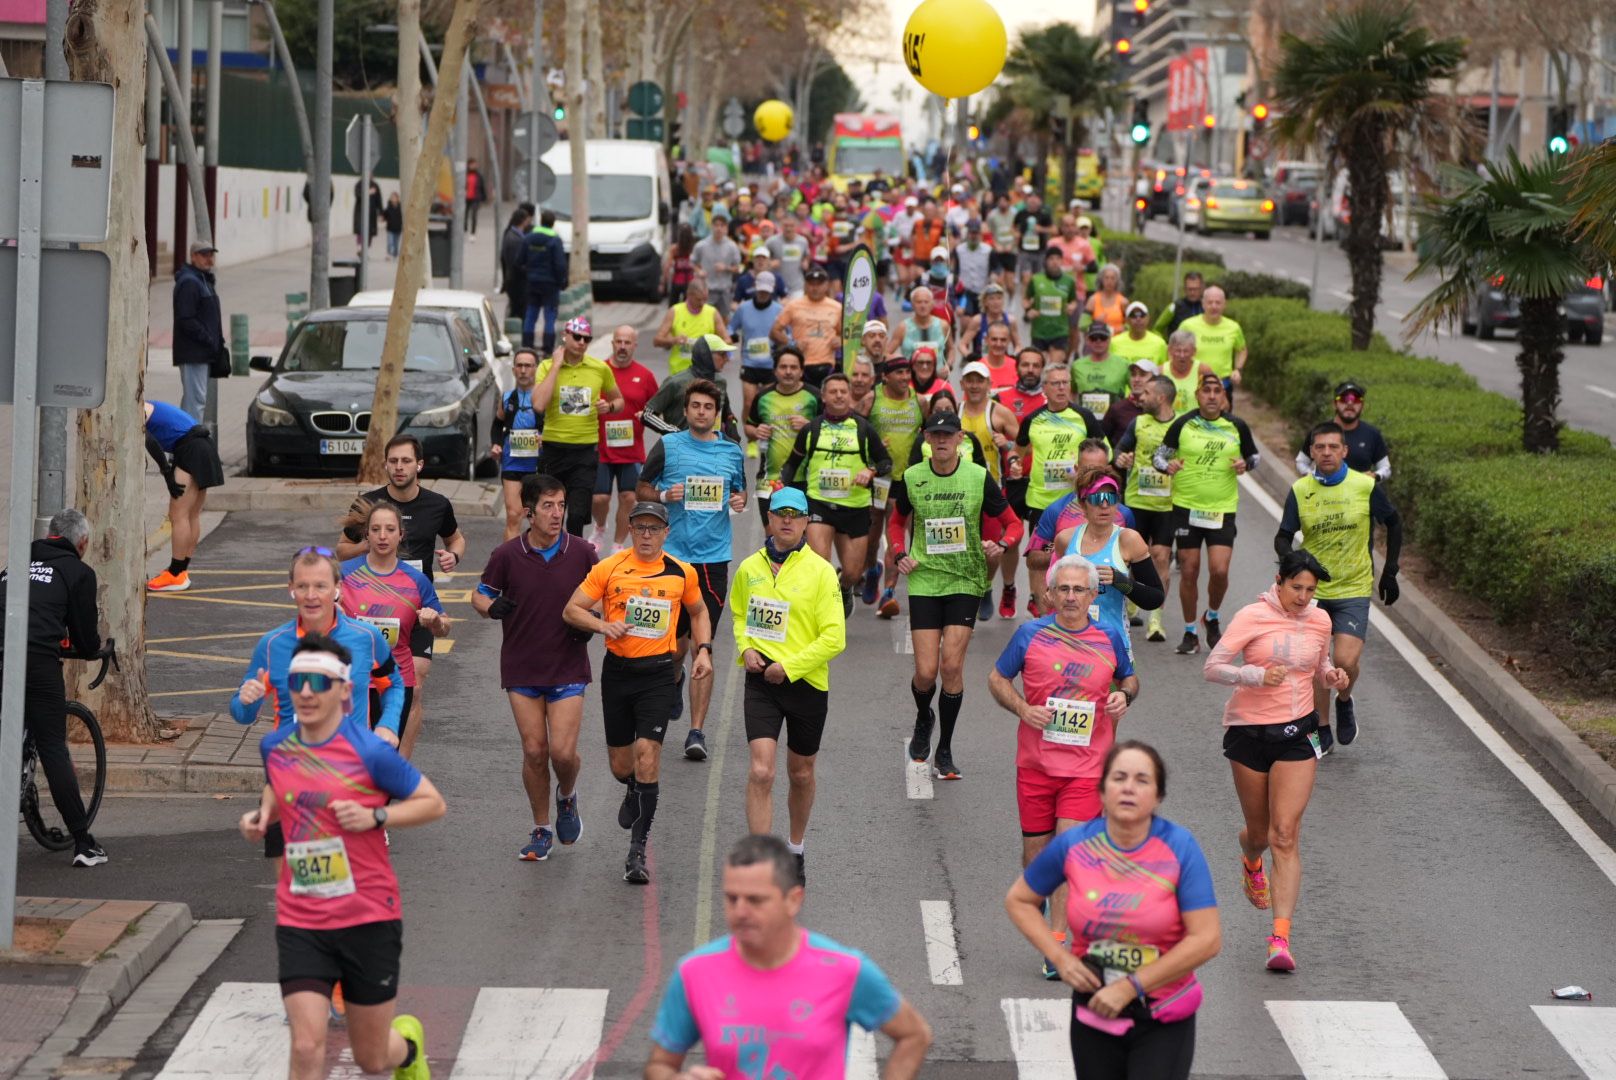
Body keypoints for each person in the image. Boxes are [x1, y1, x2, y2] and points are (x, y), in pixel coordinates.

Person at [240, 633, 445, 1080]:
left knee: (371, 1057)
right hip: (303, 917)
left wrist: (377, 815)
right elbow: (280, 793)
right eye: (298, 682)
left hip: (367, 916)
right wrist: (260, 816)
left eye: (319, 681)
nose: (308, 692)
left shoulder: (370, 752)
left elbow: (433, 803)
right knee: (307, 1042)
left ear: (345, 690)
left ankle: (407, 1048)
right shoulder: (275, 747)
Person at [1005, 741, 1220, 1078]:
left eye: (1142, 780)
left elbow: (1206, 939)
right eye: (1119, 778)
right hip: (1095, 1012)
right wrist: (1059, 957)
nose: (1129, 788)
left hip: (1163, 1014)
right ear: (1102, 791)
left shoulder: (1179, 848)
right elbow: (1019, 899)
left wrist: (1130, 986)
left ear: (1158, 796)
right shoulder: (1075, 845)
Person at [646, 834, 932, 1080]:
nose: (741, 912)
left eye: (756, 900)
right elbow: (659, 1065)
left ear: (793, 900)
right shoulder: (695, 972)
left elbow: (914, 1035)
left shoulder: (844, 970)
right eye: (732, 898)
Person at [989, 555, 1139, 977]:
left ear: (1094, 595)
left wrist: (1123, 697)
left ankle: (1057, 942)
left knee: (1066, 852)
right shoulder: (1029, 635)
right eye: (1064, 589)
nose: (1072, 597)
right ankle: (1040, 900)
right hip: (1035, 765)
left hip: (1087, 767)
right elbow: (997, 679)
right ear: (1050, 594)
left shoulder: (1109, 636)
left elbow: (1130, 679)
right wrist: (1023, 709)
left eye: (1080, 590)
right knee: (1037, 859)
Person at [1204, 549, 1350, 973]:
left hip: (1297, 733)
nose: (1303, 597)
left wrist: (1331, 677)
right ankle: (1250, 859)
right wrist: (1251, 675)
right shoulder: (1252, 616)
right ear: (1279, 581)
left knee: (1285, 833)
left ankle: (1280, 938)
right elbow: (1213, 667)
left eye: (1310, 590)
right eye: (1296, 588)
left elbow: (1318, 666)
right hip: (1249, 731)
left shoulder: (1321, 621)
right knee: (1260, 833)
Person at [563, 502, 712, 885]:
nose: (646, 535)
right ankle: (632, 789)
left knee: (648, 757)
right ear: (630, 529)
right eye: (640, 527)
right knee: (622, 766)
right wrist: (603, 625)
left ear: (666, 532)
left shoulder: (682, 572)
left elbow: (697, 611)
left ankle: (637, 850)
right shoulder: (609, 568)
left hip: (659, 675)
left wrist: (704, 650)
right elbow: (572, 610)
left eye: (654, 528)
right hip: (618, 674)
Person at [891, 412, 1023, 780]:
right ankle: (923, 717)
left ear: (961, 438)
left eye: (948, 434)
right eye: (935, 435)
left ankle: (945, 748)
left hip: (966, 580)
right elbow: (895, 521)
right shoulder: (914, 477)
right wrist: (900, 552)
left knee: (951, 668)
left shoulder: (978, 478)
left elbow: (1014, 524)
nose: (942, 440)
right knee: (924, 672)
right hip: (925, 581)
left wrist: (1001, 544)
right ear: (927, 439)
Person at [474, 473, 596, 861]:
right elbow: (480, 595)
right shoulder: (507, 555)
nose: (557, 513)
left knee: (562, 753)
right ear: (529, 512)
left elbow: (603, 595)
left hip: (567, 664)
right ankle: (542, 828)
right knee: (534, 751)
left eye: (561, 505)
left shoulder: (581, 552)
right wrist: (492, 607)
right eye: (547, 506)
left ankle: (567, 794)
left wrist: (594, 618)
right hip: (522, 666)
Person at [730, 492, 847, 882]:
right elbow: (739, 613)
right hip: (761, 682)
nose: (787, 521)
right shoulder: (749, 568)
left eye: (796, 516)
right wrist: (746, 648)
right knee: (761, 771)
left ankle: (795, 847)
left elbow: (835, 638)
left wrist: (790, 667)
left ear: (805, 523)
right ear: (769, 518)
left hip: (806, 684)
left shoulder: (821, 571)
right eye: (780, 514)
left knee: (800, 773)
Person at [333, 435, 468, 755]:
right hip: (371, 605)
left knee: (415, 686)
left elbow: (457, 539)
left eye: (406, 461)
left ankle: (400, 762)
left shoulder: (437, 505)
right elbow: (341, 551)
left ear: (419, 465)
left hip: (415, 606)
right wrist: (374, 542)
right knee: (370, 685)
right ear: (385, 465)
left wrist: (454, 557)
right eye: (393, 461)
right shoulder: (368, 505)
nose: (399, 467)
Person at [637, 379, 747, 762]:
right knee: (672, 649)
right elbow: (642, 489)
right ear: (685, 411)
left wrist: (739, 500)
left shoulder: (732, 452)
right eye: (695, 406)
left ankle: (697, 731)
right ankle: (675, 678)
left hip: (712, 561)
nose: (701, 412)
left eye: (707, 407)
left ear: (716, 413)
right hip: (671, 559)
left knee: (703, 647)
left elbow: (740, 495)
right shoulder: (668, 446)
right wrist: (665, 496)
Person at [1276, 422, 1402, 750]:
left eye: (1334, 447)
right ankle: (1321, 725)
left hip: (1354, 587)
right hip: (1313, 592)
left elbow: (1394, 522)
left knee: (1344, 661)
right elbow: (1283, 536)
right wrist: (1294, 567)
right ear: (1312, 452)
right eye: (1320, 447)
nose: (1327, 453)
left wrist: (1390, 571)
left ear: (1345, 450)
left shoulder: (1364, 486)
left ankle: (1344, 699)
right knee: (1319, 664)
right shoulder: (1301, 490)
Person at [0, 508, 108, 866]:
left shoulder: (15, 562)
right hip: (34, 659)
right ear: (83, 542)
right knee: (51, 745)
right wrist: (96, 650)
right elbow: (85, 637)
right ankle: (83, 843)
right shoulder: (78, 571)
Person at [1154, 376, 1258, 655]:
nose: (1212, 396)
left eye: (1217, 391)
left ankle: (1211, 616)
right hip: (1187, 507)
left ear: (1223, 397)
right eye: (1206, 391)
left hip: (1222, 508)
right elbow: (1158, 457)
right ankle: (1190, 632)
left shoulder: (1237, 426)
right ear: (1197, 395)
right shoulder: (1183, 423)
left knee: (1220, 570)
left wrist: (1243, 463)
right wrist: (1169, 466)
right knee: (1188, 569)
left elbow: (1255, 458)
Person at [339, 501, 448, 760]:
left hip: (396, 684)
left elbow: (444, 626)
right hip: (352, 681)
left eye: (390, 529)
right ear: (366, 534)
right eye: (376, 529)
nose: (383, 536)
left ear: (401, 534)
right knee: (354, 758)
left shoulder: (416, 581)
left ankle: (380, 801)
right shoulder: (344, 574)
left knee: (384, 758)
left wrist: (435, 622)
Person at [780, 371, 892, 617]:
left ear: (850, 395)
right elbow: (791, 465)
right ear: (824, 396)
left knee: (852, 572)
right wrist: (783, 491)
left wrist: (871, 470)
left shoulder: (863, 428)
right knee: (821, 564)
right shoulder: (812, 430)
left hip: (855, 507)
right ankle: (822, 609)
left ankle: (844, 588)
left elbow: (886, 462)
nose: (839, 396)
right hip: (819, 504)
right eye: (833, 391)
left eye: (843, 391)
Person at [1011, 364, 1106, 618]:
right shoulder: (1032, 419)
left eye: (1066, 383)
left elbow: (1104, 453)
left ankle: (1079, 611)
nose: (1062, 388)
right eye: (1056, 383)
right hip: (1041, 500)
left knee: (1077, 556)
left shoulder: (1084, 417)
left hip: (1078, 503)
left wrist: (1086, 474)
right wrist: (1014, 464)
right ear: (1045, 389)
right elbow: (1016, 451)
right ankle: (1042, 613)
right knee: (1040, 559)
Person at [1048, 467, 1165, 651]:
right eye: (1096, 498)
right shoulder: (1065, 540)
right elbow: (1051, 589)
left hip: (1112, 645)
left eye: (1110, 498)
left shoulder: (1129, 540)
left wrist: (1121, 581)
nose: (1104, 505)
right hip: (1069, 644)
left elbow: (1155, 597)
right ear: (1083, 503)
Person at [536, 317, 625, 538]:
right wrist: (556, 365)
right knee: (551, 513)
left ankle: (573, 560)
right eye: (576, 337)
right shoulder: (547, 366)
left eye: (587, 338)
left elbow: (619, 401)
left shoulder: (599, 368)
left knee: (576, 514)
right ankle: (549, 555)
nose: (582, 342)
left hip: (585, 450)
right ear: (565, 336)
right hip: (553, 448)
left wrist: (610, 406)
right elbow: (538, 404)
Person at [1114, 374, 1183, 643]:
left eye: (1147, 393)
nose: (1141, 397)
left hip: (1167, 504)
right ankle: (1132, 602)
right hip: (1137, 502)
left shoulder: (1181, 425)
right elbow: (1119, 452)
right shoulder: (1138, 422)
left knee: (1161, 557)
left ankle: (1156, 617)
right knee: (1131, 557)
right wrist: (1122, 457)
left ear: (1162, 397)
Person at [957, 360, 1023, 619]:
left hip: (991, 490)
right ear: (962, 384)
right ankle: (962, 594)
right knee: (958, 547)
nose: (974, 386)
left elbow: (1022, 443)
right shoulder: (955, 410)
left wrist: (1007, 445)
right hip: (958, 492)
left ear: (988, 384)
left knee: (991, 551)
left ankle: (986, 587)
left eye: (979, 380)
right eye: (969, 380)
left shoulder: (998, 412)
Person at [863, 356, 925, 616]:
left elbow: (929, 431)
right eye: (898, 373)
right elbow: (857, 429)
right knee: (873, 531)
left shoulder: (919, 401)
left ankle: (889, 590)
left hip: (906, 478)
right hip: (879, 476)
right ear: (885, 377)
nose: (904, 377)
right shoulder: (872, 399)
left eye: (906, 372)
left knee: (895, 530)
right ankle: (871, 569)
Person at [143, 399, 226, 592]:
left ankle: (175, 574)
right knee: (191, 515)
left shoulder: (137, 407)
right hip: (204, 446)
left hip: (191, 449)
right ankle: (181, 571)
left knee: (178, 515)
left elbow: (149, 441)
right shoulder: (149, 404)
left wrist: (166, 473)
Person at [592, 326, 659, 554]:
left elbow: (657, 409)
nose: (622, 346)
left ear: (634, 346)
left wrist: (646, 416)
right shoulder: (599, 371)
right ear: (612, 343)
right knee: (600, 497)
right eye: (618, 342)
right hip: (602, 447)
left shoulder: (645, 375)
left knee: (628, 497)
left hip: (631, 450)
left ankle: (618, 544)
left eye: (627, 343)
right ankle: (600, 527)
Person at [487, 348, 561, 540]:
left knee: (540, 519)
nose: (523, 370)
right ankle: (510, 564)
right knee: (514, 515)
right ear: (513, 370)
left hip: (537, 465)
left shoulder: (544, 397)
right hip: (512, 462)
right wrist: (496, 444)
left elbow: (556, 424)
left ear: (535, 369)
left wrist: (545, 437)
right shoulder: (507, 397)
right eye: (519, 365)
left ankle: (541, 559)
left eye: (528, 366)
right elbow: (497, 424)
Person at [747, 346, 821, 524]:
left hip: (805, 478)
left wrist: (809, 426)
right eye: (783, 367)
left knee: (801, 535)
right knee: (771, 534)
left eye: (793, 367)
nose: (788, 372)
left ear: (801, 371)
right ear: (775, 370)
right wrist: (756, 432)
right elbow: (748, 427)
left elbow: (828, 429)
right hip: (768, 478)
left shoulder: (814, 396)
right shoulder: (763, 396)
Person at [1292, 380, 1392, 480]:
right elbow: (1301, 461)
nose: (1349, 403)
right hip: (1324, 493)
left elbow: (1385, 468)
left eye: (1356, 399)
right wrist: (1311, 476)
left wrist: (1375, 476)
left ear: (1363, 406)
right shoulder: (1319, 432)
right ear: (1335, 404)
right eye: (1344, 399)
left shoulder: (1372, 434)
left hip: (1360, 493)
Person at [172, 240, 225, 422]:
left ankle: (183, 445)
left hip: (200, 352)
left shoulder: (202, 279)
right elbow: (186, 319)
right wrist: (208, 339)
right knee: (195, 401)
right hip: (194, 352)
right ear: (193, 256)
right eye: (204, 255)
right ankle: (189, 444)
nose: (208, 259)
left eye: (210, 255)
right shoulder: (190, 282)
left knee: (193, 401)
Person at [729, 271, 783, 449]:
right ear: (755, 288)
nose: (763, 294)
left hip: (770, 364)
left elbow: (787, 333)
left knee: (767, 404)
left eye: (766, 292)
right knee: (749, 402)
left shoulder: (778, 310)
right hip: (749, 363)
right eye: (760, 291)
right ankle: (751, 438)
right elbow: (731, 327)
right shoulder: (743, 309)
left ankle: (765, 436)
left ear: (772, 290)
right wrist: (731, 337)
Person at [771, 264, 842, 388]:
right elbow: (774, 332)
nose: (815, 288)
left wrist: (840, 340)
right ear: (805, 285)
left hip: (827, 365)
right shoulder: (793, 306)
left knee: (825, 404)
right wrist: (791, 343)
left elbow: (846, 335)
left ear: (826, 285)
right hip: (800, 365)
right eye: (811, 284)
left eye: (819, 284)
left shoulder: (837, 307)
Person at [1177, 286, 1246, 407]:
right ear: (1203, 304)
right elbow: (1174, 351)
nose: (1214, 306)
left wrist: (1238, 369)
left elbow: (1242, 350)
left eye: (1218, 303)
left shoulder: (1233, 327)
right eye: (1210, 302)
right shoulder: (1188, 325)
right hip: (1194, 385)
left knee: (1220, 425)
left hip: (1222, 386)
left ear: (1224, 305)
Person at [655, 277, 729, 378]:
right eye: (699, 299)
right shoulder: (675, 311)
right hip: (679, 375)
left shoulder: (712, 313)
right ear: (689, 295)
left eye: (705, 299)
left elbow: (727, 340)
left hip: (704, 375)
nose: (702, 303)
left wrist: (713, 347)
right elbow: (657, 340)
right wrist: (673, 340)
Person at [522, 210, 568, 352]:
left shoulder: (529, 238)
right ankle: (547, 347)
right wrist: (562, 281)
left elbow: (519, 260)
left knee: (531, 313)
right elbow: (560, 265)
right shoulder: (555, 240)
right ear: (553, 223)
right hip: (550, 284)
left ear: (540, 221)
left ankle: (527, 345)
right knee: (549, 315)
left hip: (532, 282)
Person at [1026, 247, 1080, 363]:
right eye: (1051, 259)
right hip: (1039, 331)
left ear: (1062, 261)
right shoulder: (1036, 279)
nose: (1054, 262)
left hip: (1060, 331)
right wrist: (1028, 310)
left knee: (1054, 367)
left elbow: (1074, 301)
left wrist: (1072, 306)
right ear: (1045, 261)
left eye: (1058, 259)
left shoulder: (1069, 281)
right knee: (1039, 367)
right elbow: (1025, 298)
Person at [1070, 322, 1132, 418]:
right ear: (1087, 340)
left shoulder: (1123, 364)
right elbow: (1071, 391)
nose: (1098, 341)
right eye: (1094, 338)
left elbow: (1136, 390)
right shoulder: (1077, 366)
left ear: (1109, 339)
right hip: (1086, 422)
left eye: (1103, 337)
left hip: (1115, 421)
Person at [691, 213, 742, 322]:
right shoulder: (701, 245)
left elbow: (739, 268)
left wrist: (726, 268)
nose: (719, 229)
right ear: (712, 227)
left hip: (724, 289)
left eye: (722, 226)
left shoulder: (732, 246)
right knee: (705, 318)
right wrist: (698, 271)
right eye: (716, 225)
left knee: (724, 319)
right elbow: (692, 262)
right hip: (707, 290)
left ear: (726, 228)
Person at [1100, 358, 1159, 448]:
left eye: (1142, 375)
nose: (1136, 379)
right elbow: (1102, 443)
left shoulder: (1160, 409)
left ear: (1155, 380)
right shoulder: (1116, 409)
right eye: (1133, 375)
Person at [894, 286, 952, 368]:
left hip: (938, 377)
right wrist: (899, 367)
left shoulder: (943, 325)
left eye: (926, 302)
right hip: (910, 378)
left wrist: (948, 365)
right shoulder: (903, 327)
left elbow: (951, 349)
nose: (923, 305)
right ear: (912, 304)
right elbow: (887, 353)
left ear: (932, 304)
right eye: (919, 302)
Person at [1163, 330, 1217, 413]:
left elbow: (1220, 399)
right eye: (1178, 351)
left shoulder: (1203, 370)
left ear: (1194, 351)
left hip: (1197, 422)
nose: (1182, 355)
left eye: (1186, 351)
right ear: (1170, 350)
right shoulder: (1161, 371)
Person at [1112, 301, 1169, 371]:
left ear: (1148, 318)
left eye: (1142, 315)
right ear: (1127, 320)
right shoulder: (1114, 343)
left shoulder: (1160, 344)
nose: (1138, 319)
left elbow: (1164, 370)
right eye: (1133, 315)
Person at [499, 206, 532, 323]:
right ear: (523, 220)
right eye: (528, 219)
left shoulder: (513, 235)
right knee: (518, 312)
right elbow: (516, 263)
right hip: (517, 283)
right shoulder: (515, 239)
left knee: (516, 310)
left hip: (514, 281)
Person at [1013, 191, 1053, 289]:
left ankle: (1035, 299)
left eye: (1036, 198)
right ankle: (1025, 299)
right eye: (1031, 198)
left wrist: (1041, 229)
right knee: (1026, 277)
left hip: (1040, 251)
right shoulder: (1021, 214)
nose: (1033, 201)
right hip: (1024, 250)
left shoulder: (1044, 215)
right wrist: (1016, 234)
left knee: (1038, 278)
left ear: (1039, 201)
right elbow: (1013, 227)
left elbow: (1054, 229)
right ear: (1027, 200)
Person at [765, 215, 811, 298]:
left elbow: (807, 255)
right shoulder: (771, 242)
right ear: (781, 226)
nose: (789, 229)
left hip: (797, 286)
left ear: (796, 227)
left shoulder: (803, 241)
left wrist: (806, 261)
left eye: (791, 226)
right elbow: (761, 260)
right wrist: (769, 264)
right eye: (786, 226)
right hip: (776, 286)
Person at [1081, 264, 1128, 345]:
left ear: (1117, 281)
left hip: (1118, 343)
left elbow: (1130, 325)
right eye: (1106, 278)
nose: (1109, 281)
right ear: (1101, 280)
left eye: (1113, 278)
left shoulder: (1123, 302)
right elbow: (1082, 325)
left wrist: (1120, 329)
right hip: (1097, 342)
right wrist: (1095, 322)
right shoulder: (1093, 300)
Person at [1153, 270, 1205, 337]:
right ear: (1184, 289)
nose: (1192, 292)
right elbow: (1157, 328)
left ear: (1201, 289)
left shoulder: (1207, 308)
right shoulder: (1175, 307)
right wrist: (1163, 345)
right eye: (1189, 289)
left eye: (1195, 289)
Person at [663, 224, 697, 304]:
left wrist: (664, 282)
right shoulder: (693, 248)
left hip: (677, 281)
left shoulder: (674, 249)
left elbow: (667, 266)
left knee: (673, 306)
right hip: (690, 282)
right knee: (688, 307)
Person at [464, 158, 485, 235]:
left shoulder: (478, 175)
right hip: (466, 198)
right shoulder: (465, 174)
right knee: (464, 214)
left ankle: (473, 232)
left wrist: (483, 199)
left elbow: (482, 187)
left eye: (475, 164)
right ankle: (465, 228)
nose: (474, 166)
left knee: (474, 215)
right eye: (472, 164)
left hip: (475, 198)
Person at [382, 193, 403, 260]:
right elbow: (384, 215)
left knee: (396, 243)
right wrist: (382, 218)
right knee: (390, 242)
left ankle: (395, 254)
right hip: (390, 228)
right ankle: (389, 254)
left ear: (397, 199)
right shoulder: (388, 208)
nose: (393, 199)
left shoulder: (401, 208)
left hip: (398, 228)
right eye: (392, 197)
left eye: (394, 197)